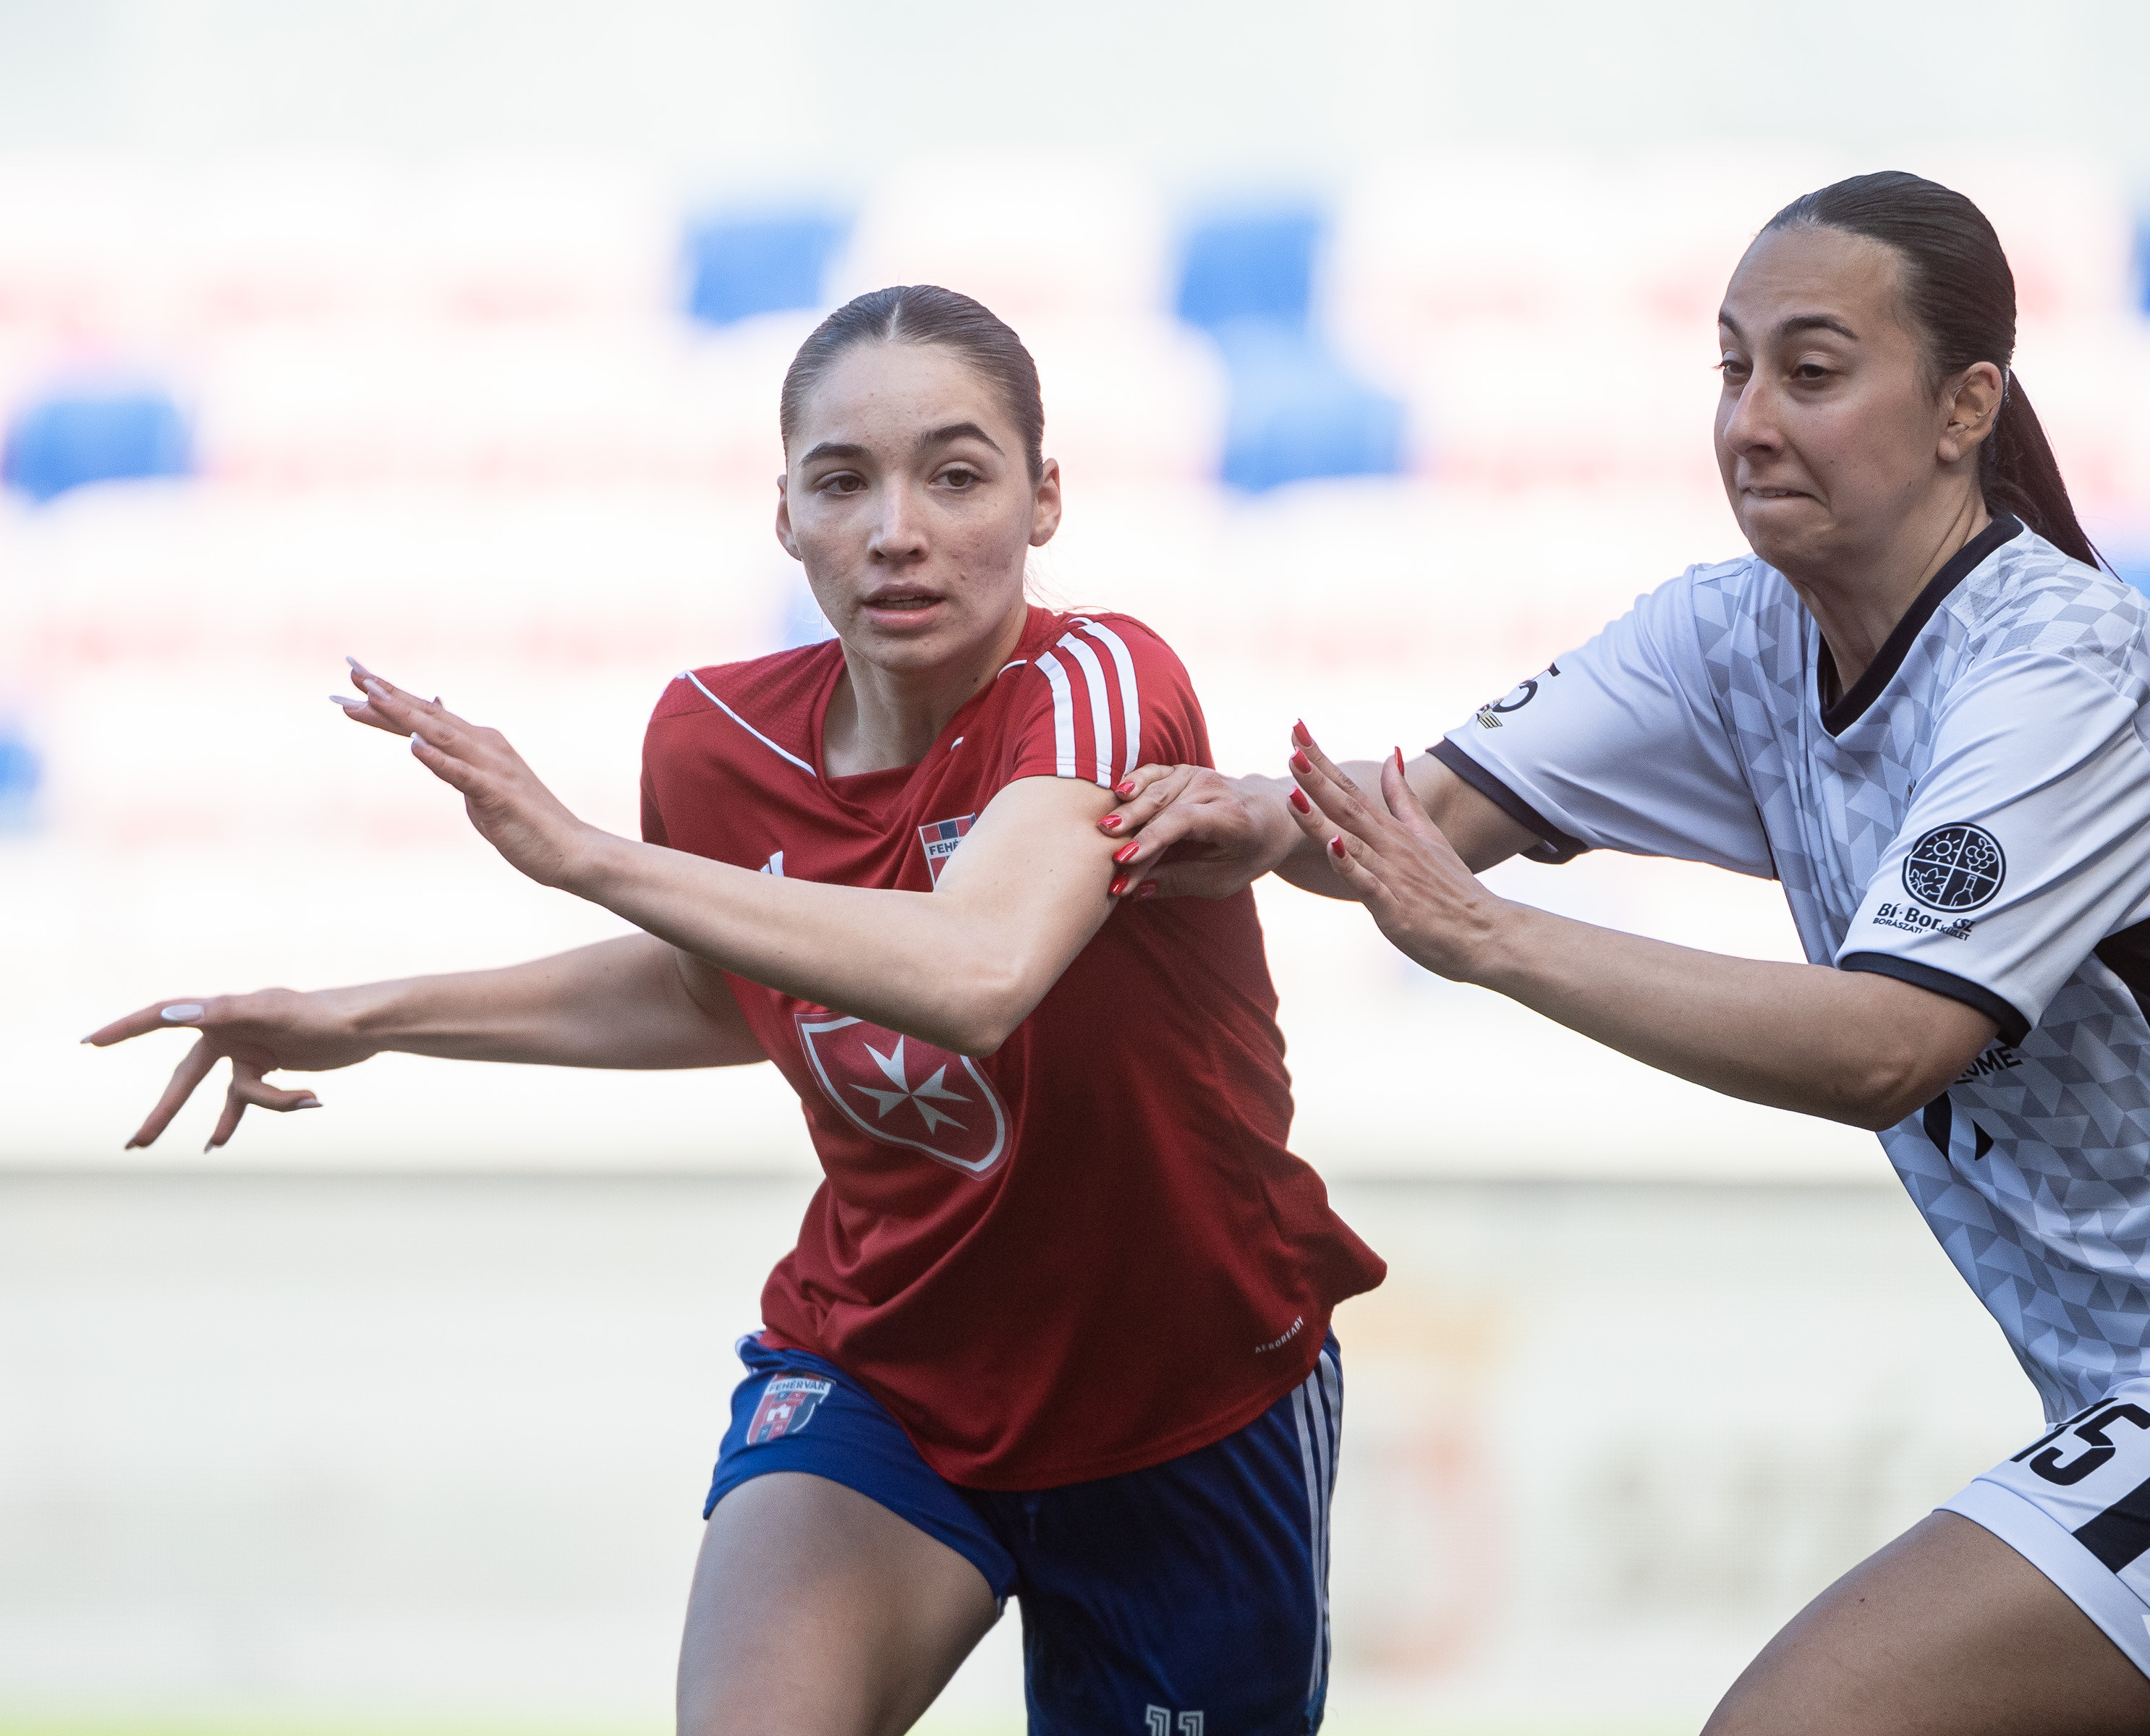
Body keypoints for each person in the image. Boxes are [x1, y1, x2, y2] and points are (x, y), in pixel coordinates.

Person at [1102, 173, 2150, 1736]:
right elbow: (1418, 821)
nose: (1752, 421)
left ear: (1967, 406)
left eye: (1814, 372)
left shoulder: (2063, 668)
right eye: (1733, 369)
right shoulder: (1733, 636)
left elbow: (1885, 1047)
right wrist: (1245, 817)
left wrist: (1487, 938)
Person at [85, 284, 1385, 1736]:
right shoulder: (713, 739)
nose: (896, 529)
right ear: (785, 516)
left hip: (1184, 1399)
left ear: (1045, 502)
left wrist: (586, 856)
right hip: (885, 1372)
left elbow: (978, 972)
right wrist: (372, 1013)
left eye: (957, 477)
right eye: (843, 481)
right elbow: (719, 992)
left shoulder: (1100, 681)